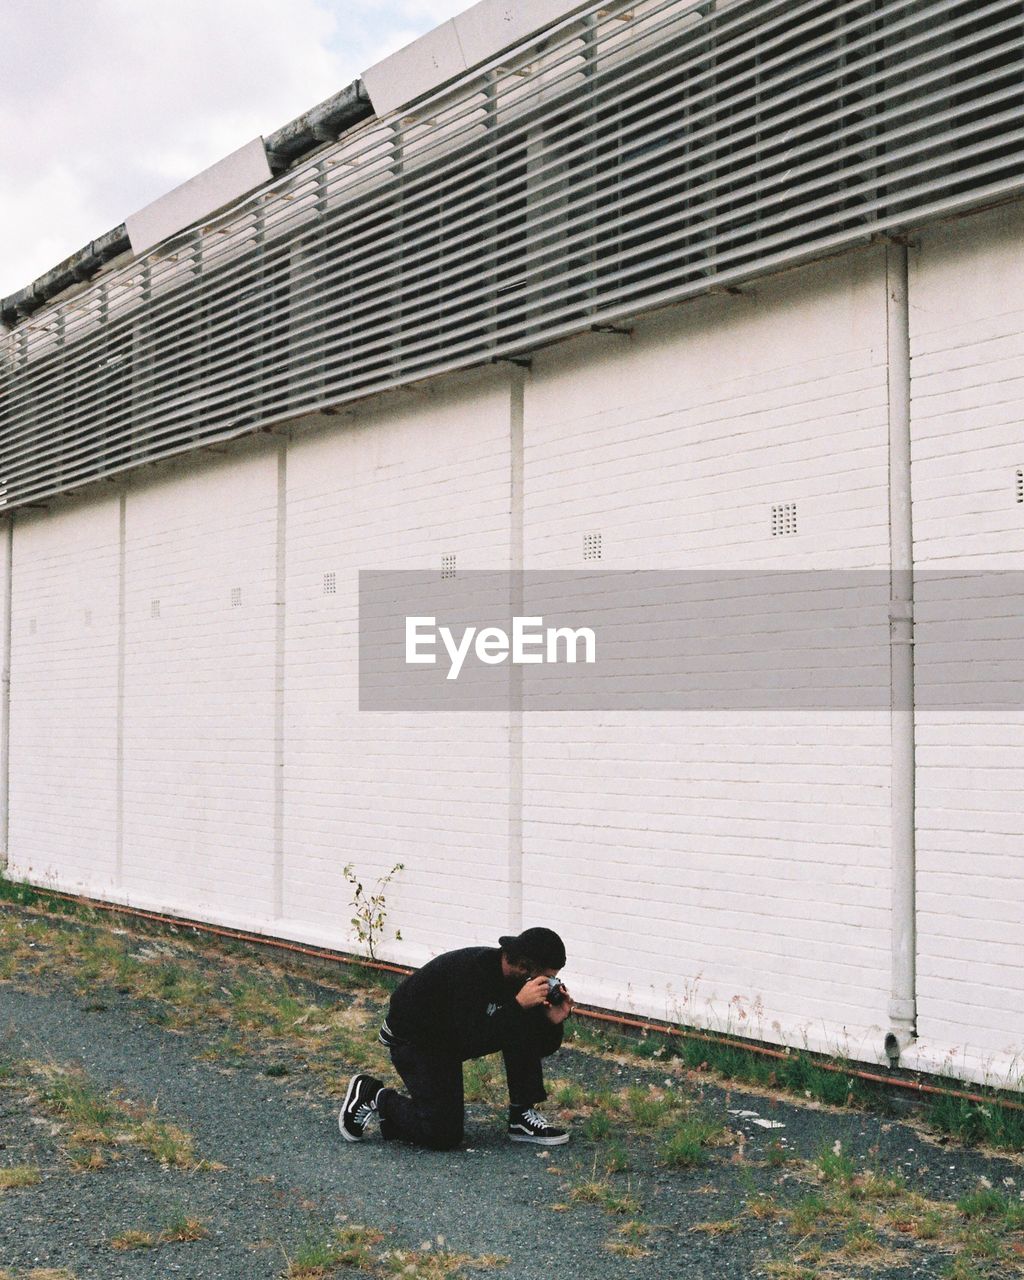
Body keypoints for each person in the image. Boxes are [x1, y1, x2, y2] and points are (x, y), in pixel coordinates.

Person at [338, 926, 574, 1149]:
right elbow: (471, 1039)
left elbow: (540, 1047)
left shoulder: (521, 983)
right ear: (524, 968)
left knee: (517, 1020)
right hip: (418, 1038)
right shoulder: (472, 973)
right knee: (443, 1134)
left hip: (451, 1040)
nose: (549, 984)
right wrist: (517, 1006)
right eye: (547, 978)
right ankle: (373, 1095)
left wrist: (552, 1021)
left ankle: (521, 1116)